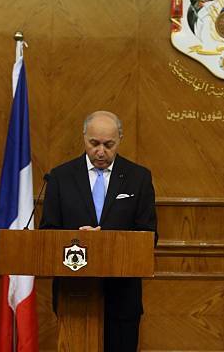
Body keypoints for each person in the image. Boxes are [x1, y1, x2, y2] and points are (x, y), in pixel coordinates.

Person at [40, 110, 157, 351]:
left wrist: (105, 239)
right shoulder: (60, 177)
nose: (101, 152)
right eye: (94, 144)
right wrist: (78, 239)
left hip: (122, 294)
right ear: (84, 137)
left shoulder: (138, 178)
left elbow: (149, 235)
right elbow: (48, 232)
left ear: (119, 140)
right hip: (74, 293)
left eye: (108, 144)